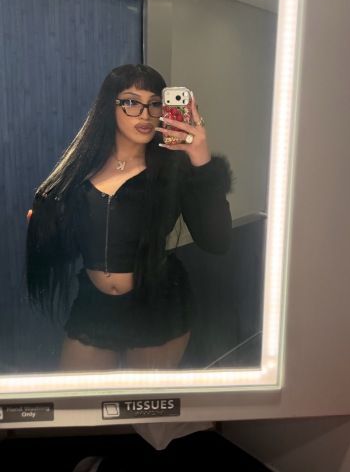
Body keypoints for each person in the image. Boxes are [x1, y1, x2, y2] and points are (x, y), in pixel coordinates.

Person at [26, 63, 233, 372]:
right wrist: (43, 231)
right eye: (132, 102)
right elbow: (72, 249)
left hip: (157, 303)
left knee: (146, 404)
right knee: (80, 398)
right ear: (109, 106)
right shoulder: (83, 168)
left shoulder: (174, 169)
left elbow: (217, 241)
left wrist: (200, 159)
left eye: (155, 103)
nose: (145, 115)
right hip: (95, 306)